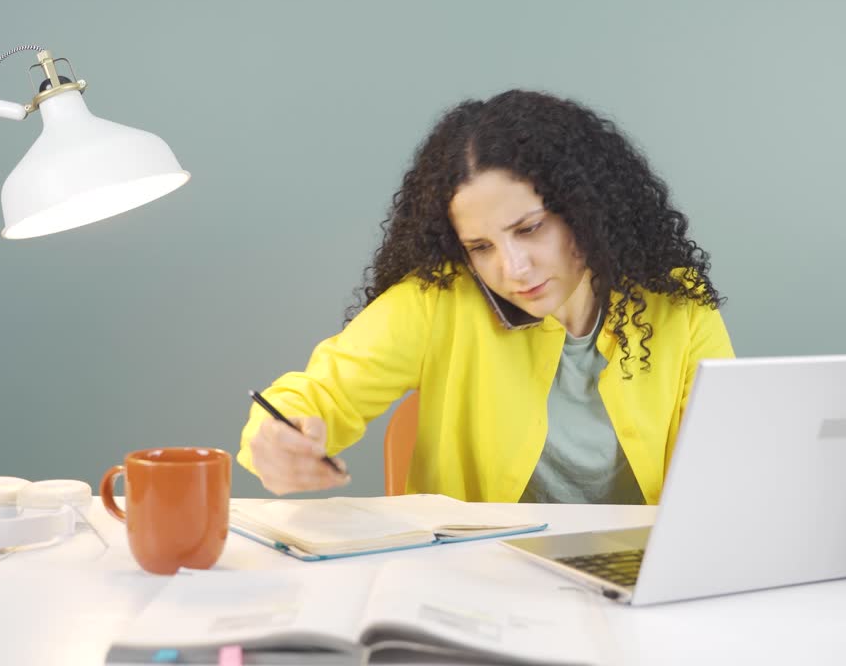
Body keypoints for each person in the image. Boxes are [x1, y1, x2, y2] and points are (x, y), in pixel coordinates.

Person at [237, 89, 733, 504]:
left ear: (588, 209)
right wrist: (278, 441)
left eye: (530, 228)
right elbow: (318, 393)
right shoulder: (436, 304)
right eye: (481, 247)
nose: (512, 268)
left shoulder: (678, 305)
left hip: (638, 585)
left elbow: (730, 458)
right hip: (475, 589)